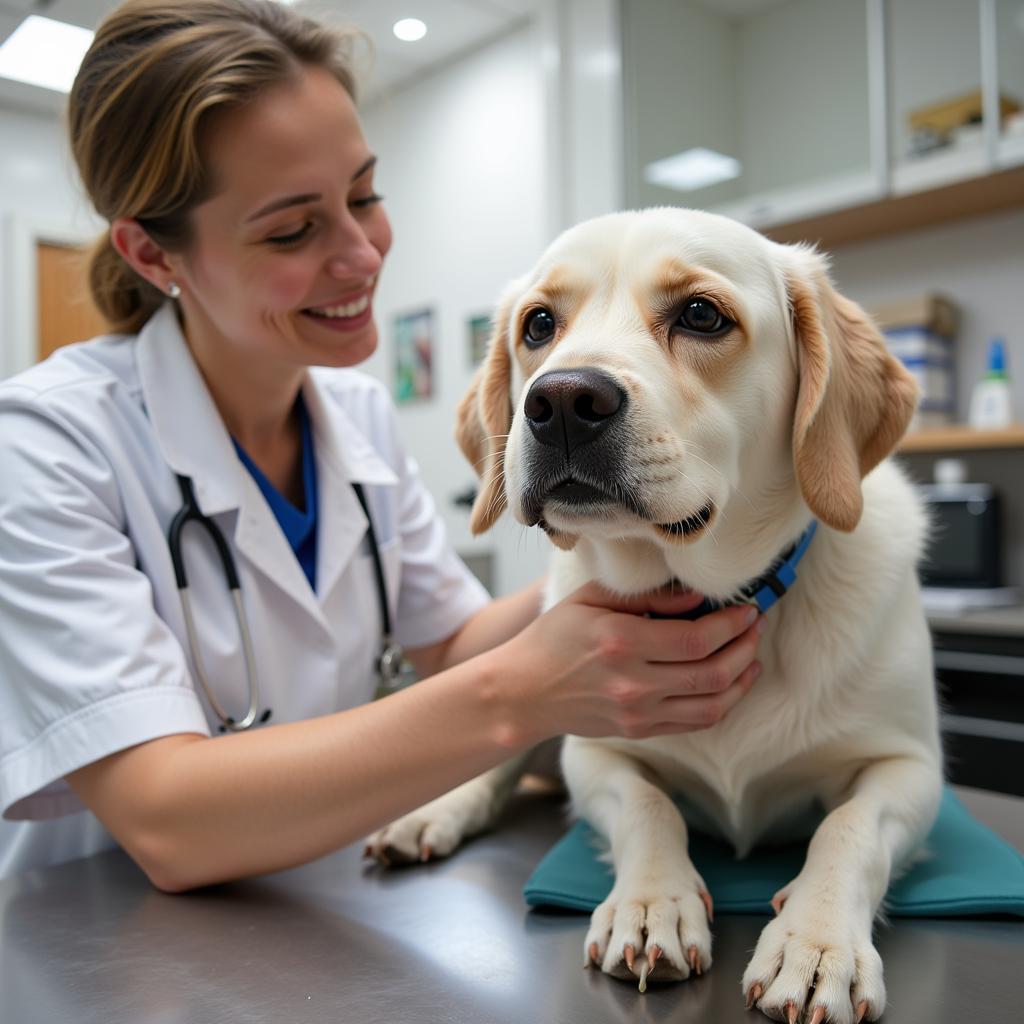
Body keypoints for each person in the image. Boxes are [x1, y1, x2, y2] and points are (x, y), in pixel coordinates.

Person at [0, 0, 763, 889]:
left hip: (310, 903)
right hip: (96, 939)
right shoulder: (46, 446)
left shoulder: (354, 419)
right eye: (293, 229)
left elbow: (451, 645)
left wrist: (639, 518)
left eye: (364, 195)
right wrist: (524, 690)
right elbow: (168, 820)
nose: (362, 255)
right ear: (151, 255)